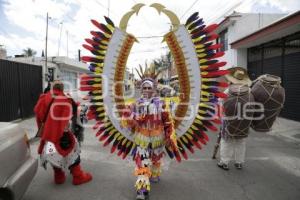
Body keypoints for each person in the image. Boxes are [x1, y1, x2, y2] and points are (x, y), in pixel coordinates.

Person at [121, 68, 177, 200]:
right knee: (142, 164)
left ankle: (154, 174)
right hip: (142, 140)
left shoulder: (161, 104)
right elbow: (125, 118)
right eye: (144, 88)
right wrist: (135, 117)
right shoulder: (135, 104)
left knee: (156, 160)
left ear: (153, 89)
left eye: (148, 88)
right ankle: (142, 190)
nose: (146, 90)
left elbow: (168, 121)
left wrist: (170, 135)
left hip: (158, 139)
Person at [34, 80, 92, 185]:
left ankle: (59, 176)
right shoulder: (65, 99)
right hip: (62, 133)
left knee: (52, 153)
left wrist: (43, 132)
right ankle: (78, 176)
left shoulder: (43, 99)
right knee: (72, 152)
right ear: (62, 88)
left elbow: (38, 117)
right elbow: (74, 113)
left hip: (48, 135)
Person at [217, 67, 252, 170]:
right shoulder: (249, 90)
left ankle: (224, 162)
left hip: (229, 119)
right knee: (240, 141)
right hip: (244, 120)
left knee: (226, 141)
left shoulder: (229, 90)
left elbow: (220, 101)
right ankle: (239, 162)